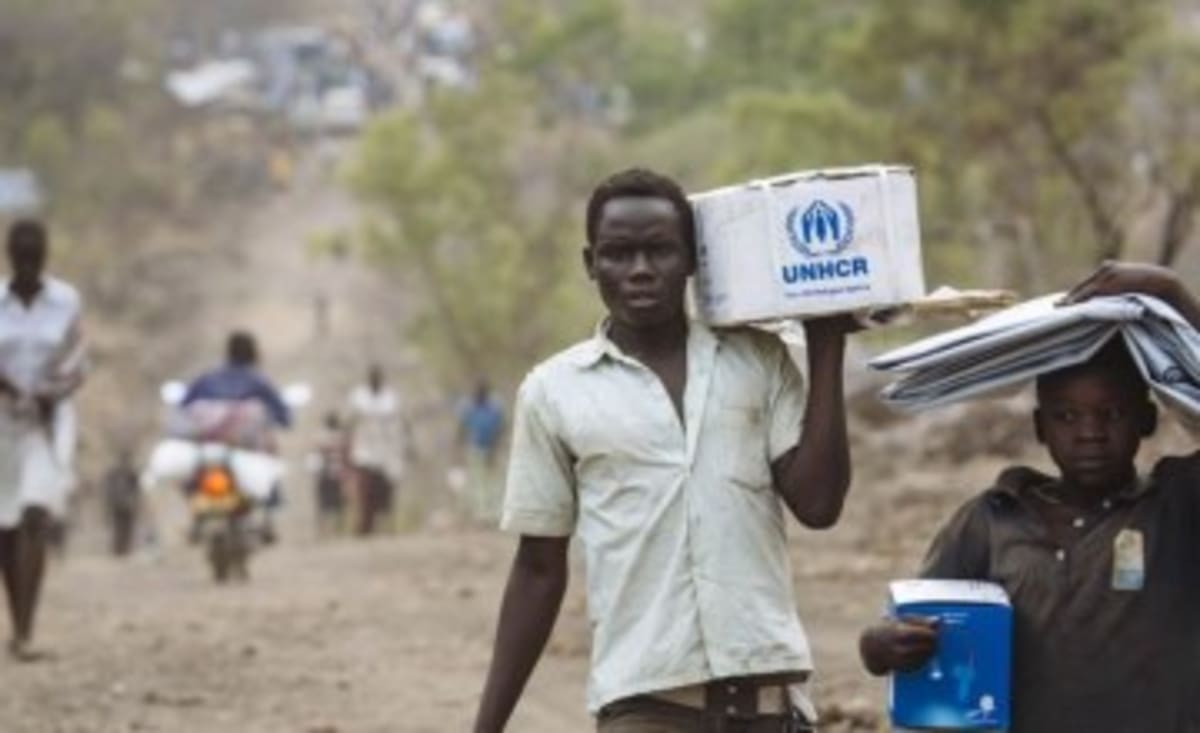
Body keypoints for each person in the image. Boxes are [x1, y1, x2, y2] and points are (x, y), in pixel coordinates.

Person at [474, 168, 857, 731]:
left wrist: (827, 342)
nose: (640, 271)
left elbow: (819, 505)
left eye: (659, 251)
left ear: (693, 259)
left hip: (771, 706)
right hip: (645, 707)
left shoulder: (758, 358)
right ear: (590, 264)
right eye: (617, 254)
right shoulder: (554, 392)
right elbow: (537, 569)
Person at [858, 262, 1200, 731]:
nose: (1090, 433)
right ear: (1040, 427)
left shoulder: (1176, 506)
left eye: (1112, 413)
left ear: (1148, 420)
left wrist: (1174, 296)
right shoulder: (991, 520)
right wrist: (879, 647)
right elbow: (918, 627)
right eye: (1066, 416)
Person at [0, 219, 87, 661]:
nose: (30, 263)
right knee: (6, 525)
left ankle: (25, 629)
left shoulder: (66, 301)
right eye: (22, 255)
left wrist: (52, 393)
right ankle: (16, 618)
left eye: (36, 255)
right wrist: (15, 393)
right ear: (11, 256)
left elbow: (77, 361)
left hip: (48, 425)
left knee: (35, 514)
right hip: (3, 424)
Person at [346, 365, 411, 535]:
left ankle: (386, 526)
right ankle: (364, 526)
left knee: (386, 491)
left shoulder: (391, 398)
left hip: (387, 450)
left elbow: (402, 421)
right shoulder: (359, 397)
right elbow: (350, 423)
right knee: (366, 490)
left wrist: (406, 444)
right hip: (365, 449)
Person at [457, 379, 505, 523]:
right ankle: (481, 514)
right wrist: (459, 446)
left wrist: (496, 447)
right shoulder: (468, 406)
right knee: (478, 481)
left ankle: (494, 514)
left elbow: (501, 427)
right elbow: (462, 428)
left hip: (492, 448)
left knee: (493, 482)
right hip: (476, 448)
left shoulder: (495, 406)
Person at [309, 411, 349, 536]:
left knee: (339, 504)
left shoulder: (340, 435)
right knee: (323, 504)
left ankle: (337, 530)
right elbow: (317, 451)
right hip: (323, 473)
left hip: (337, 473)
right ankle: (322, 531)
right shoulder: (321, 435)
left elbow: (343, 453)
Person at [103, 448, 141, 557]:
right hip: (119, 503)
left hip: (125, 503)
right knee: (119, 526)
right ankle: (119, 549)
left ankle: (123, 549)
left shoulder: (130, 473)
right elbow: (109, 488)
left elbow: (136, 489)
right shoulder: (116, 473)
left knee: (125, 527)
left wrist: (134, 500)